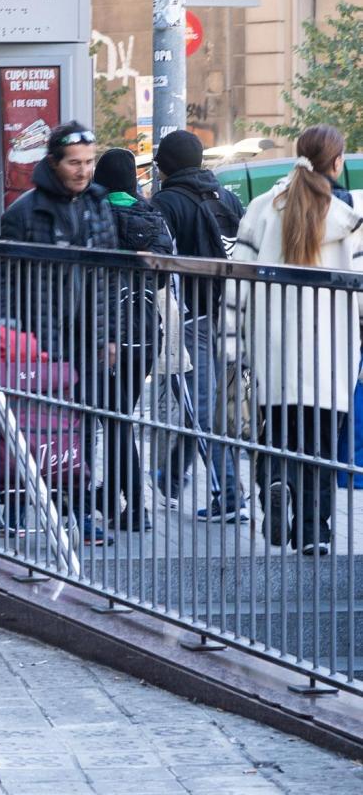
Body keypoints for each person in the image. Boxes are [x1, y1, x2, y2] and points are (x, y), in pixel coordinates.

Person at [226, 125, 363, 557]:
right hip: (331, 354)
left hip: (274, 350)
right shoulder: (350, 219)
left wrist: (232, 345)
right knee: (322, 447)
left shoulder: (263, 209)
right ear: (337, 162)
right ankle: (313, 531)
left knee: (277, 435)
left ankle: (273, 494)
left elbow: (236, 281)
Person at [0, 121, 120, 546]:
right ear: (53, 162)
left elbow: (106, 280)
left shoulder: (99, 206)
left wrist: (108, 336)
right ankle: (15, 508)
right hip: (37, 337)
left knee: (83, 425)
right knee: (30, 423)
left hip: (85, 338)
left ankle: (82, 513)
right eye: (74, 163)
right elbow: (5, 283)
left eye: (89, 162)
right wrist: (12, 338)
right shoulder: (23, 212)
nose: (83, 171)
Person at [150, 129, 248, 521]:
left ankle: (229, 495)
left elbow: (161, 260)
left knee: (202, 406)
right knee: (202, 404)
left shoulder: (165, 203)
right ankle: (171, 478)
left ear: (163, 166)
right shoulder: (228, 197)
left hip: (189, 317)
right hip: (231, 315)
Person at [93, 148, 175, 532]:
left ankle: (134, 506)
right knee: (119, 415)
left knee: (114, 419)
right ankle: (112, 497)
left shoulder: (95, 214)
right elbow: (161, 276)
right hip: (144, 331)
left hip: (105, 331)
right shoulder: (151, 215)